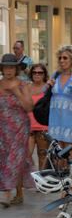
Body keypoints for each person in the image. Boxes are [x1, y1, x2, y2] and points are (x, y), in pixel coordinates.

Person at [0, 54, 34, 207]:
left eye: (11, 67)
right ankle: (19, 193)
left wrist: (16, 92)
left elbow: (29, 107)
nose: (8, 70)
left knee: (14, 157)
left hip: (20, 127)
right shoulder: (0, 84)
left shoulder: (23, 84)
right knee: (8, 158)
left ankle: (7, 192)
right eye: (6, 67)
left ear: (16, 69)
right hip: (3, 128)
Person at [47, 45, 72, 161]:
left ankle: (68, 179)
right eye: (60, 58)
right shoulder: (56, 74)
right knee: (56, 161)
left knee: (68, 161)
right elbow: (45, 92)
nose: (62, 60)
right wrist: (48, 84)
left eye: (65, 58)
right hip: (55, 122)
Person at [28, 64, 50, 170]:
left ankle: (41, 185)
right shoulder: (26, 88)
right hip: (29, 128)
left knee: (42, 156)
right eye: (34, 72)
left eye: (40, 72)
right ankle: (30, 179)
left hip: (43, 128)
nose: (37, 75)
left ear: (44, 75)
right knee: (26, 155)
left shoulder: (48, 88)